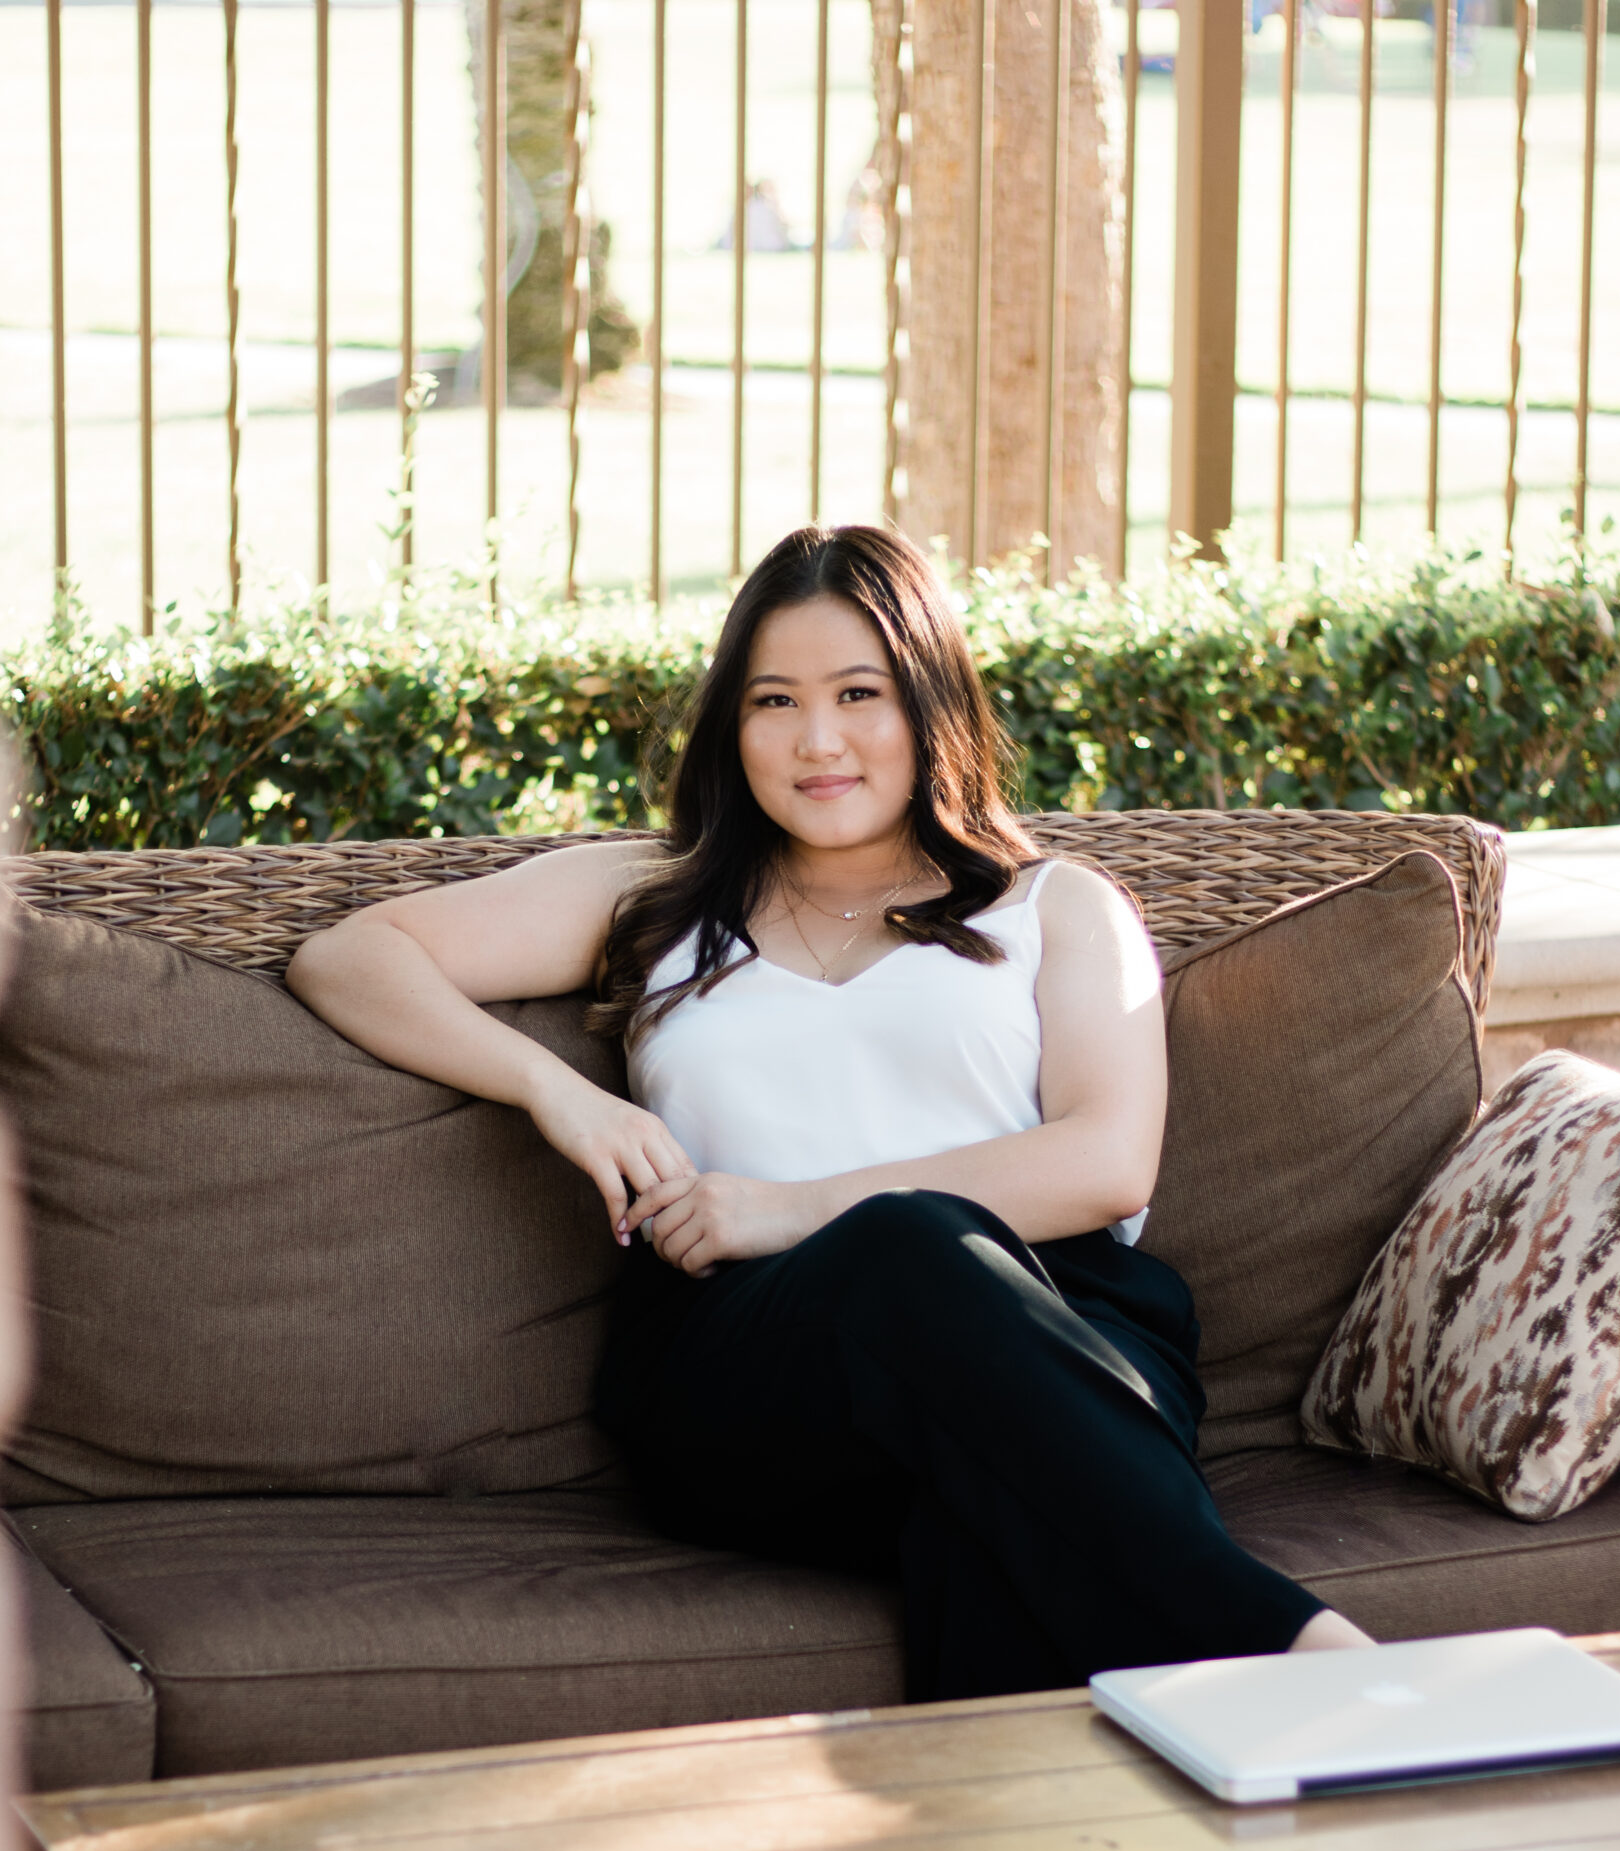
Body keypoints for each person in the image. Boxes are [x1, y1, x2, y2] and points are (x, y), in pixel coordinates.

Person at [287, 524, 1368, 1697]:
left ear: (930, 702)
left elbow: (1109, 1163)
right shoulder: (651, 898)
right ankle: (1308, 1662)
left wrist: (797, 1207)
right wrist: (561, 1094)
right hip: (754, 1366)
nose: (817, 741)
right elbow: (348, 958)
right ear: (730, 725)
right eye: (774, 701)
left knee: (975, 1516)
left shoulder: (1058, 908)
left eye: (861, 693)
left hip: (1061, 1330)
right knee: (914, 1271)